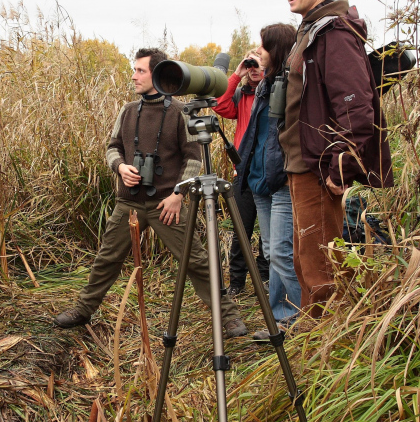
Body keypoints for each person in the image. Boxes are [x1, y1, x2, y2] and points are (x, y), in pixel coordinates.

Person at [53, 49, 249, 338]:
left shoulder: (180, 112)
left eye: (140, 71)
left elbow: (194, 158)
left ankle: (228, 317)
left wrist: (178, 195)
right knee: (107, 258)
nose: (133, 76)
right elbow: (112, 147)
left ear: (157, 74)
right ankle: (83, 309)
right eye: (134, 70)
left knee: (195, 261)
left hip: (166, 204)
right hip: (129, 202)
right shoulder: (128, 110)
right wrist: (120, 167)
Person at [278, 0, 393, 316]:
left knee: (322, 264)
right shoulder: (311, 30)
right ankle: (312, 342)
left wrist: (340, 167)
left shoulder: (335, 33)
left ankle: (331, 346)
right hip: (301, 162)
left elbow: (356, 107)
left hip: (319, 165)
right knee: (306, 258)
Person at [234, 24, 304, 339]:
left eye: (263, 47)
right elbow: (254, 134)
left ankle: (293, 322)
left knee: (281, 252)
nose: (258, 52)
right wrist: (245, 168)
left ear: (275, 49)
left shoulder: (294, 84)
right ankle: (281, 319)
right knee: (271, 251)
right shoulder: (263, 87)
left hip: (281, 181)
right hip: (259, 181)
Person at [212, 51, 270, 298]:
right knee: (241, 229)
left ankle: (266, 277)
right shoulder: (242, 94)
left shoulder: (275, 90)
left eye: (258, 63)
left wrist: (267, 71)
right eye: (250, 64)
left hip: (270, 170)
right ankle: (237, 281)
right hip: (244, 171)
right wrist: (237, 74)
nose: (253, 68)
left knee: (271, 231)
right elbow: (220, 105)